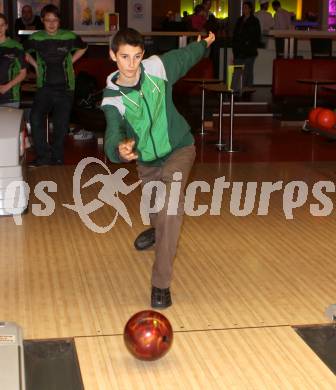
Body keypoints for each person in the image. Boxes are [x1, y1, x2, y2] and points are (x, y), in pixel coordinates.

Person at [101, 28, 215, 308]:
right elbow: (113, 132)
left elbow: (184, 56)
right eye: (125, 57)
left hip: (179, 148)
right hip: (147, 161)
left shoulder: (156, 69)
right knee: (157, 211)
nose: (131, 65)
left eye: (137, 57)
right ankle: (156, 230)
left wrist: (205, 45)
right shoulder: (112, 98)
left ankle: (160, 283)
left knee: (170, 209)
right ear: (113, 55)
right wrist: (119, 149)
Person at [24, 4, 87, 166]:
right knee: (35, 118)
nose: (51, 24)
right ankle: (43, 156)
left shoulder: (69, 36)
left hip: (66, 88)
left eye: (55, 20)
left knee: (61, 126)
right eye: (48, 20)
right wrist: (35, 66)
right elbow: (23, 52)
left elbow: (83, 47)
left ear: (59, 21)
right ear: (42, 21)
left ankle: (58, 157)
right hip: (44, 87)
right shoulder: (35, 38)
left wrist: (71, 61)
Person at [232, 1, 261, 92]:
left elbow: (256, 36)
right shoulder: (240, 20)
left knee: (248, 71)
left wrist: (249, 44)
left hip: (249, 50)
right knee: (238, 70)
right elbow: (235, 34)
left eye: (245, 7)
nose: (243, 9)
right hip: (239, 49)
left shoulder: (254, 21)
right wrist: (235, 46)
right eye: (243, 7)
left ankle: (247, 91)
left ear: (250, 9)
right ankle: (236, 89)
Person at [0, 13, 27, 108]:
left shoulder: (16, 47)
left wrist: (6, 87)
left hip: (10, 97)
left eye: (2, 25)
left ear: (6, 26)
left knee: (9, 123)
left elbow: (23, 73)